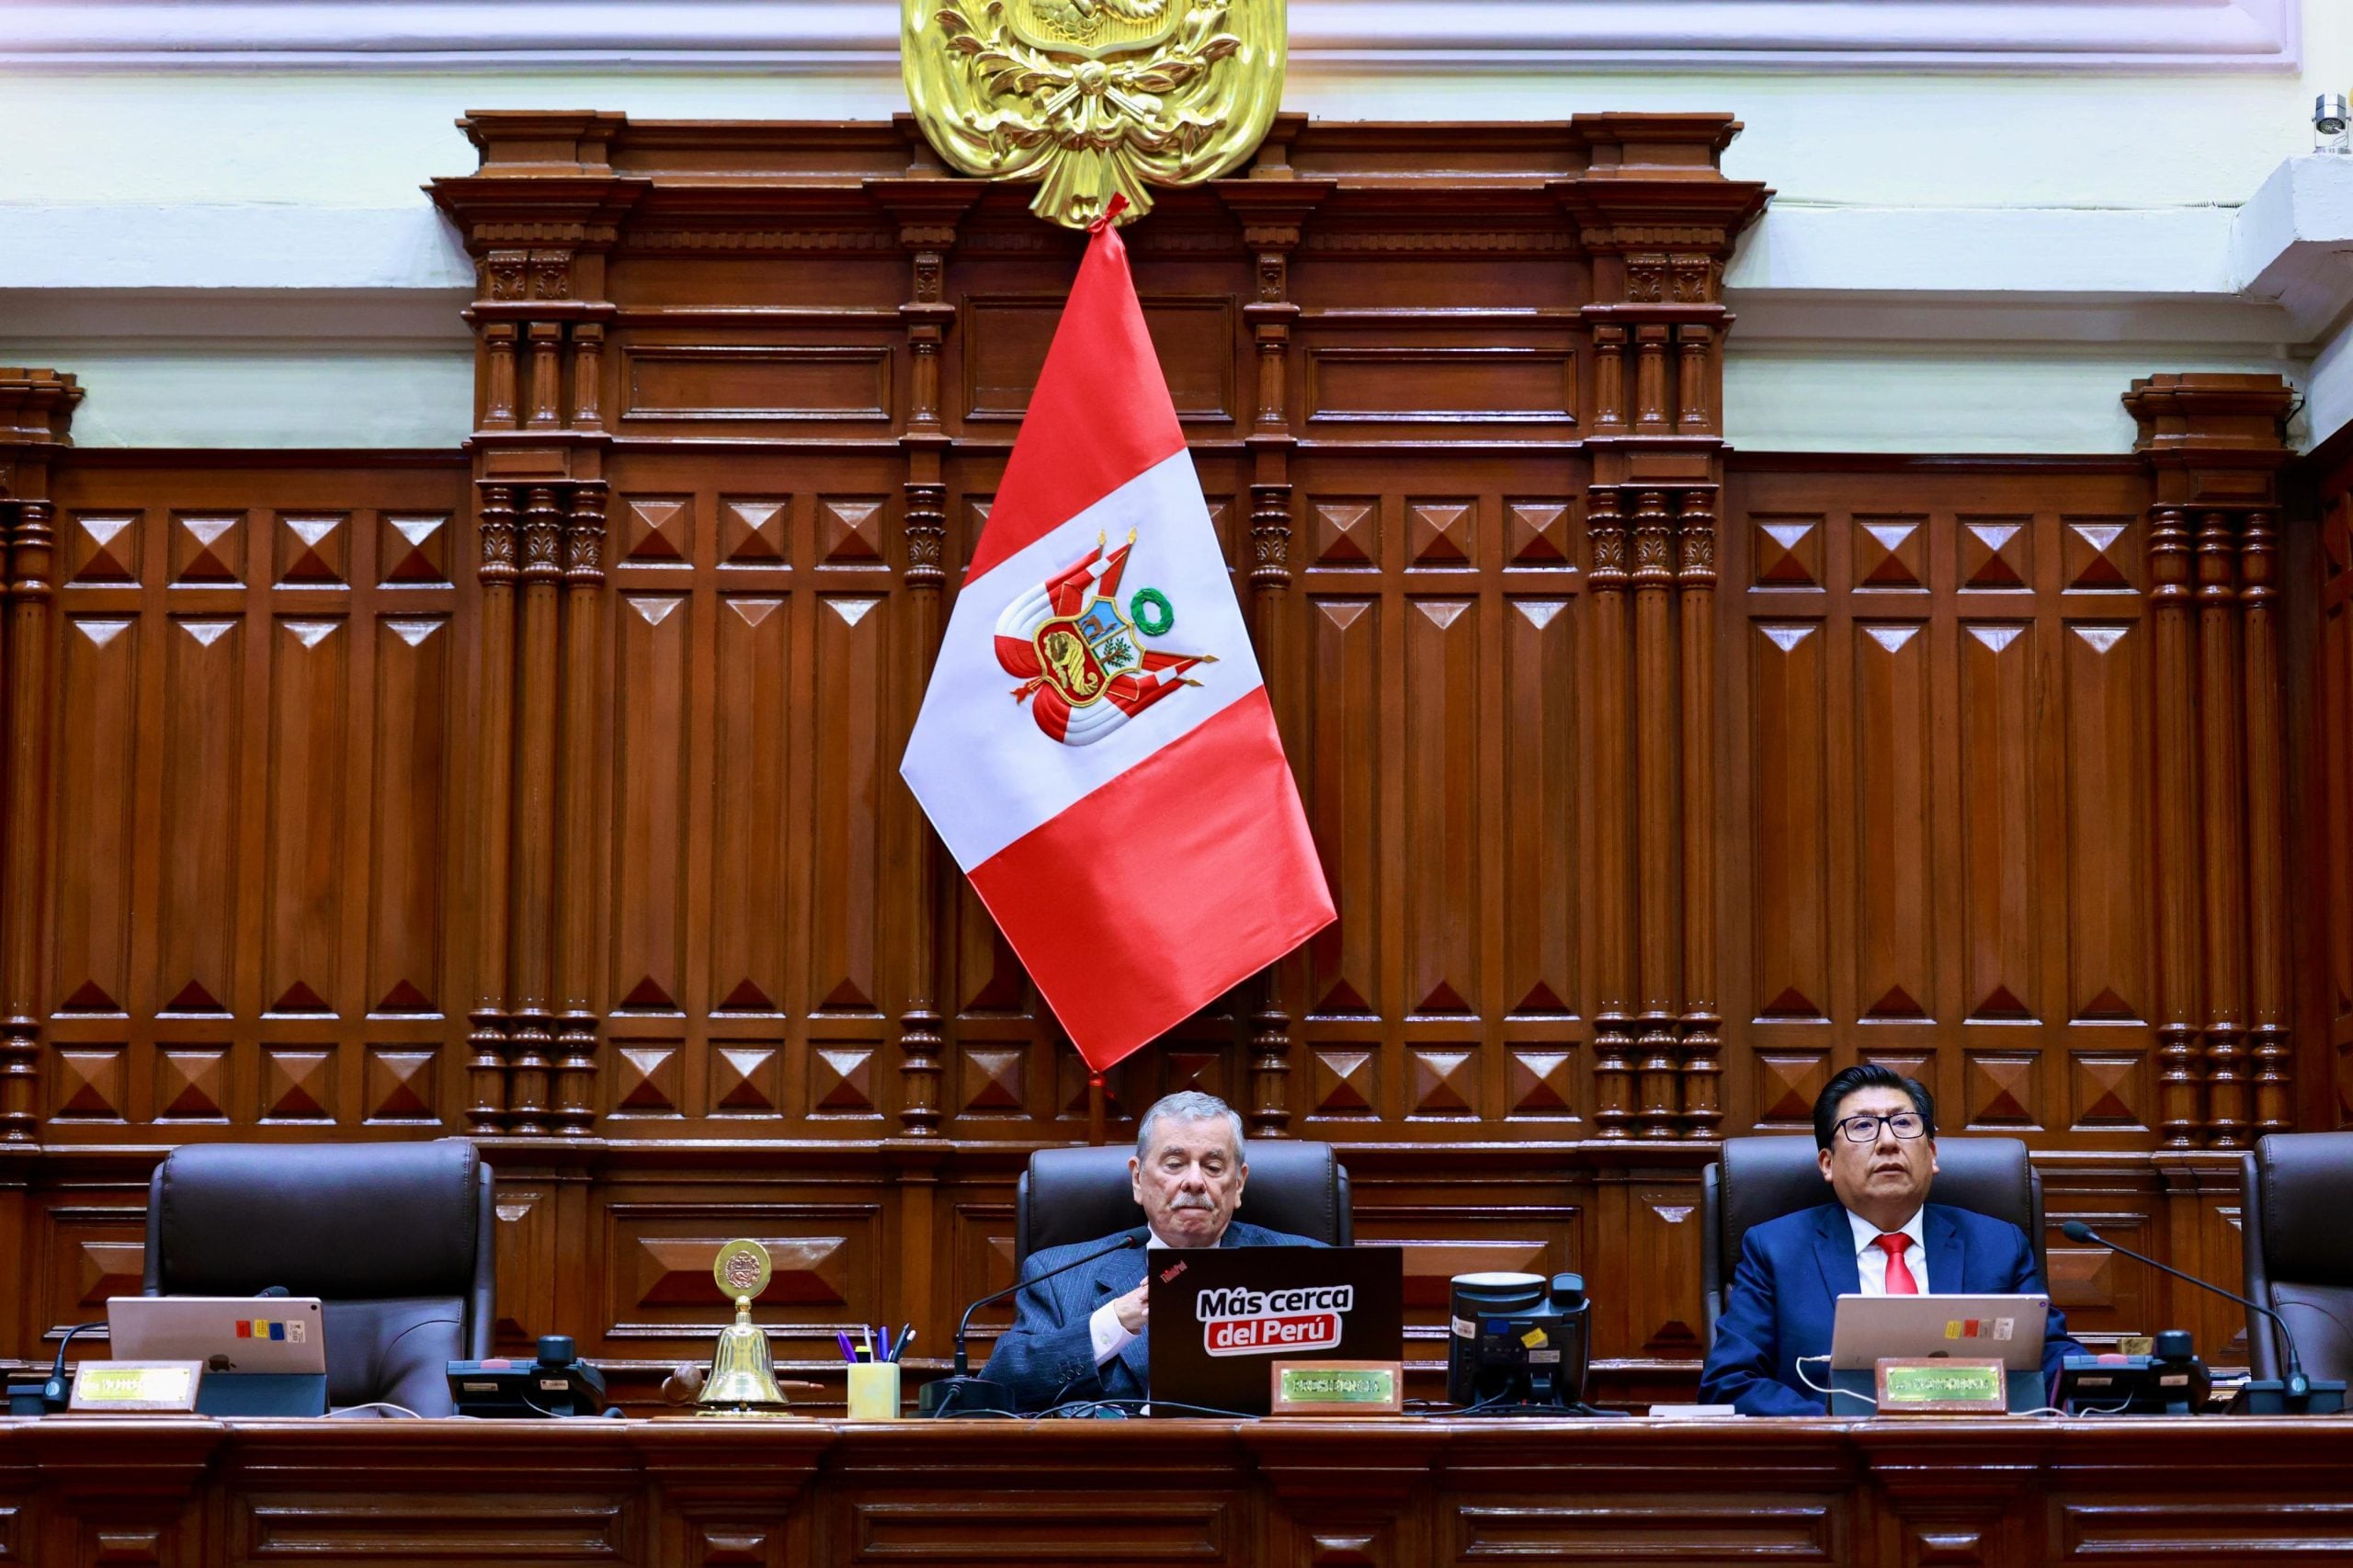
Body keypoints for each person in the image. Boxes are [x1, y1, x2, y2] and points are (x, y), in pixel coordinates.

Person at [1699, 1063, 2081, 1415]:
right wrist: (1841, 1426)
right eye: (1862, 1127)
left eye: (1903, 1123)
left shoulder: (1998, 1246)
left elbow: (2053, 1362)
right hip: (1837, 1470)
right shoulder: (1776, 1250)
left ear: (1931, 1154)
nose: (1888, 1142)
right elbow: (1730, 1383)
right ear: (1827, 1164)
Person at [982, 1089, 1324, 1412]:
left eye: (1213, 1167)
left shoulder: (1309, 1269)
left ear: (1238, 1184)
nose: (1194, 1181)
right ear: (1138, 1179)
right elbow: (1001, 1388)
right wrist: (1115, 1320)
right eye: (1174, 1164)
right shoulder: (1059, 1275)